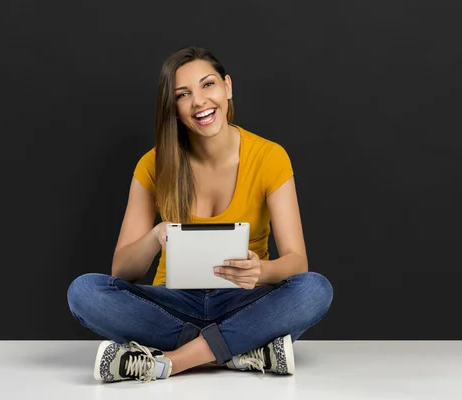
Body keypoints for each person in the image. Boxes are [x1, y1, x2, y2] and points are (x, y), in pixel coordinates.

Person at [67, 46, 333, 384]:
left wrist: (261, 270)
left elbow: (297, 263)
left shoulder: (270, 156)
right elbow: (122, 271)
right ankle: (240, 351)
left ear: (228, 87)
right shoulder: (153, 164)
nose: (199, 102)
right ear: (173, 108)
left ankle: (175, 361)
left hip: (245, 300)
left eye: (208, 85)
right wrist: (153, 236)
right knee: (84, 292)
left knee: (314, 289)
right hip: (172, 304)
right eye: (183, 94)